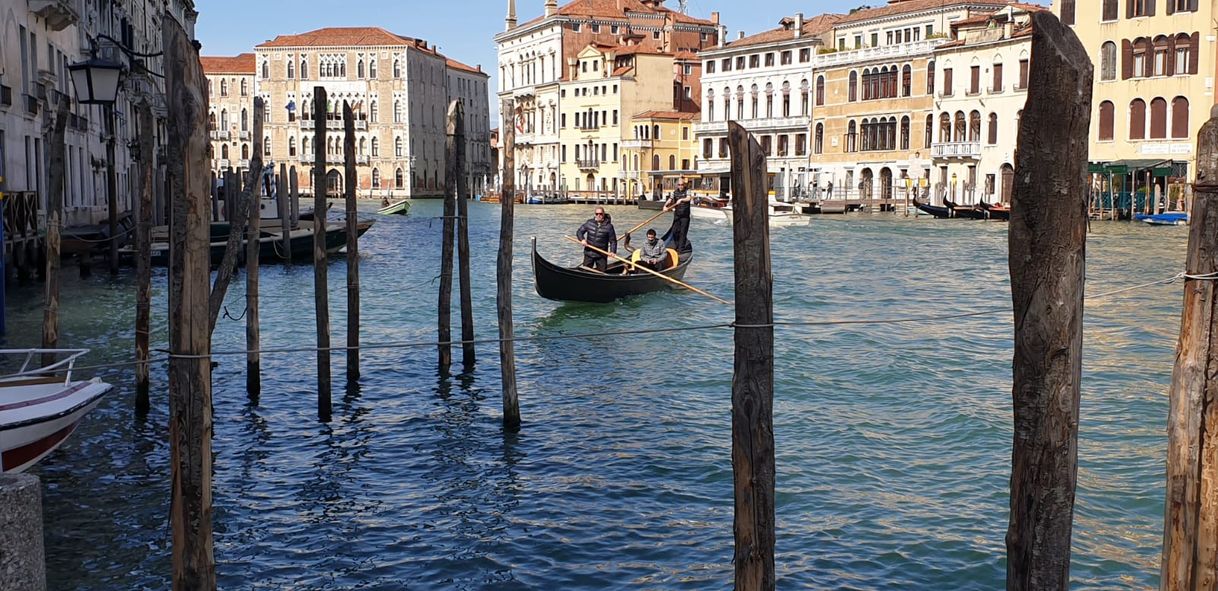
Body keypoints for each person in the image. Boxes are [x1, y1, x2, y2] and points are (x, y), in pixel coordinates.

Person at [576, 207, 617, 272]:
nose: (599, 215)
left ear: (603, 214)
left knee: (601, 273)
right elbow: (579, 232)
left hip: (601, 255)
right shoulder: (589, 223)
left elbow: (613, 241)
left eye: (600, 214)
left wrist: (613, 251)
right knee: (585, 272)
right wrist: (582, 239)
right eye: (597, 214)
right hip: (589, 253)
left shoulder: (609, 227)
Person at [663, 179, 692, 251]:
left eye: (682, 185)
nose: (680, 186)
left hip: (685, 216)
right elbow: (670, 199)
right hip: (677, 215)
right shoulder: (674, 192)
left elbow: (688, 198)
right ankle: (676, 245)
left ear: (684, 185)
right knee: (674, 231)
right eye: (679, 185)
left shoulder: (687, 191)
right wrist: (665, 206)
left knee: (683, 232)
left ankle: (681, 249)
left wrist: (681, 199)